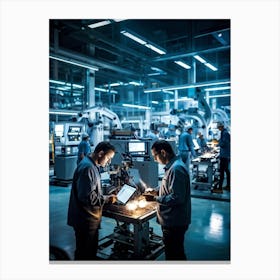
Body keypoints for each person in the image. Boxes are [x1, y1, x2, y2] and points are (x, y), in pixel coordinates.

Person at [67, 141, 117, 260]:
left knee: (86, 251)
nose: (109, 162)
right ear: (100, 153)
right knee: (86, 254)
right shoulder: (88, 168)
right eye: (108, 158)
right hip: (85, 220)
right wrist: (107, 199)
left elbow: (90, 190)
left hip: (87, 218)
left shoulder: (91, 165)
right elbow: (87, 197)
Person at [144, 140, 191, 260]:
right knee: (174, 251)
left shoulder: (176, 169)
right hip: (171, 220)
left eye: (155, 156)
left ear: (163, 153)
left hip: (174, 221)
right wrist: (156, 190)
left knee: (174, 254)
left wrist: (154, 198)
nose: (154, 159)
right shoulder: (172, 167)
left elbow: (177, 197)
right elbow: (170, 187)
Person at [211, 122, 231, 193]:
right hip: (226, 154)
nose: (218, 129)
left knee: (222, 171)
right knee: (226, 171)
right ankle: (228, 186)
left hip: (224, 155)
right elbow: (223, 141)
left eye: (218, 128)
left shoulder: (224, 133)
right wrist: (217, 141)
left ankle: (219, 188)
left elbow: (223, 143)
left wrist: (216, 144)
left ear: (221, 127)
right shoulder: (224, 133)